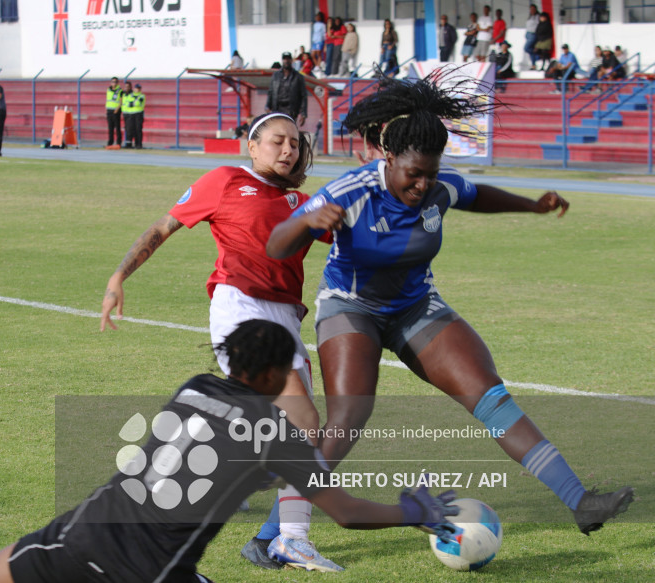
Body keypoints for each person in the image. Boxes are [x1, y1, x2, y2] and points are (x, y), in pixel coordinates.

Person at [265, 76, 635, 540]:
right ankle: (273, 531)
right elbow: (276, 245)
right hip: (350, 306)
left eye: (431, 173)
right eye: (412, 173)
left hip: (416, 306)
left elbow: (478, 196)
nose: (423, 184)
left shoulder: (441, 187)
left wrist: (532, 208)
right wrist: (305, 222)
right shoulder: (351, 191)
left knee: (490, 395)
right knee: (349, 416)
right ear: (388, 157)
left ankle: (580, 501)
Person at [0, 319, 459, 583]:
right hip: (143, 569)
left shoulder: (194, 386)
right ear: (275, 373)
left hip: (84, 526)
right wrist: (413, 511)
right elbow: (347, 513)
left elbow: (219, 451)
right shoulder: (277, 437)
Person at [100, 112, 337, 571]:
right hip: (240, 306)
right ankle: (289, 537)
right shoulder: (225, 180)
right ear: (252, 146)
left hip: (286, 315)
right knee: (304, 420)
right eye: (276, 141)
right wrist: (118, 275)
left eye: (294, 143)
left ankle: (196, 481)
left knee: (262, 421)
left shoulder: (302, 203)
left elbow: (351, 240)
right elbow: (162, 228)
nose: (287, 150)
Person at [265, 52, 308, 126]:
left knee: (288, 129)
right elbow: (271, 92)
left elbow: (303, 95)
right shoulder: (276, 75)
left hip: (291, 109)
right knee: (277, 130)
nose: (286, 61)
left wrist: (303, 114)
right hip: (277, 109)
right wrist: (267, 105)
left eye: (288, 59)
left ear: (291, 60)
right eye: (285, 59)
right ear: (282, 60)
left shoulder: (298, 77)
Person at [126, 83, 145, 149]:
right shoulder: (130, 95)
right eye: (136, 88)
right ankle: (130, 143)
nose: (137, 90)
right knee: (131, 129)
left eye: (139, 88)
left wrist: (132, 103)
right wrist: (133, 103)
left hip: (139, 114)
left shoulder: (142, 96)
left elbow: (138, 103)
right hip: (131, 114)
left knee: (138, 129)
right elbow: (127, 103)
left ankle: (139, 144)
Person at [105, 76, 123, 149]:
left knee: (117, 127)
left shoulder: (120, 90)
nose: (114, 83)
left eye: (115, 82)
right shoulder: (108, 90)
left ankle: (118, 142)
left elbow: (121, 101)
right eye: (113, 82)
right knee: (110, 127)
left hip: (116, 111)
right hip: (109, 110)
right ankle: (110, 142)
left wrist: (117, 109)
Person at [525, 4, 540, 69]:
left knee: (526, 48)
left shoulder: (537, 17)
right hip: (528, 34)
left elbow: (537, 26)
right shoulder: (530, 16)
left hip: (533, 34)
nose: (532, 10)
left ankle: (537, 55)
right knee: (531, 50)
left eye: (533, 9)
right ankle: (533, 64)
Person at [121, 81, 134, 148]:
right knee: (126, 128)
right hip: (125, 113)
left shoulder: (132, 94)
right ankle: (127, 142)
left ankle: (129, 143)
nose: (127, 88)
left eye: (128, 86)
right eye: (126, 86)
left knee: (129, 128)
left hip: (130, 113)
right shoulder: (123, 94)